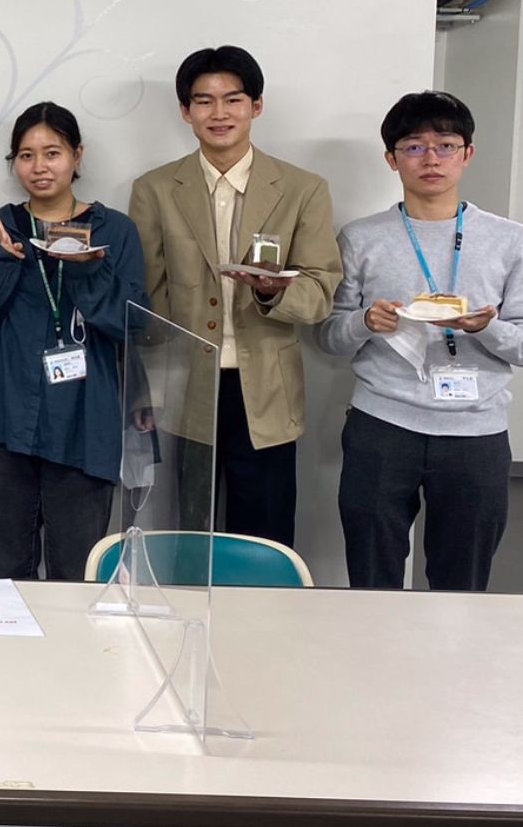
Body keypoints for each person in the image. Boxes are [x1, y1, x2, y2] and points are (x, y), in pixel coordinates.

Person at [129, 46, 341, 547]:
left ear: (256, 106)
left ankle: (262, 602)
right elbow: (145, 300)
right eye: (204, 101)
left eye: (233, 100)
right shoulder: (154, 189)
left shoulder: (303, 189)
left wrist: (272, 293)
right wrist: (146, 390)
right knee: (188, 532)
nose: (218, 113)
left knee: (263, 536)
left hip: (266, 390)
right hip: (187, 386)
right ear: (186, 111)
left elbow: (320, 292)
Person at [316, 91, 523, 591]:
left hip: (476, 430)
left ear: (467, 154)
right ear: (392, 159)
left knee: (462, 585)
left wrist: (485, 327)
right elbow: (329, 337)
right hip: (382, 425)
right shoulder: (360, 237)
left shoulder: (511, 239)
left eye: (445, 145)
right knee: (372, 577)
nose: (431, 159)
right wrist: (366, 322)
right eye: (413, 147)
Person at [0, 102, 148, 582]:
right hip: (3, 418)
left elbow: (133, 323)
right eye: (26, 155)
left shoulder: (114, 230)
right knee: (7, 572)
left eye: (52, 153)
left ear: (77, 155)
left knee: (76, 575)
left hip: (85, 419)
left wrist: (87, 269)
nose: (39, 167)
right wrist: (4, 262)